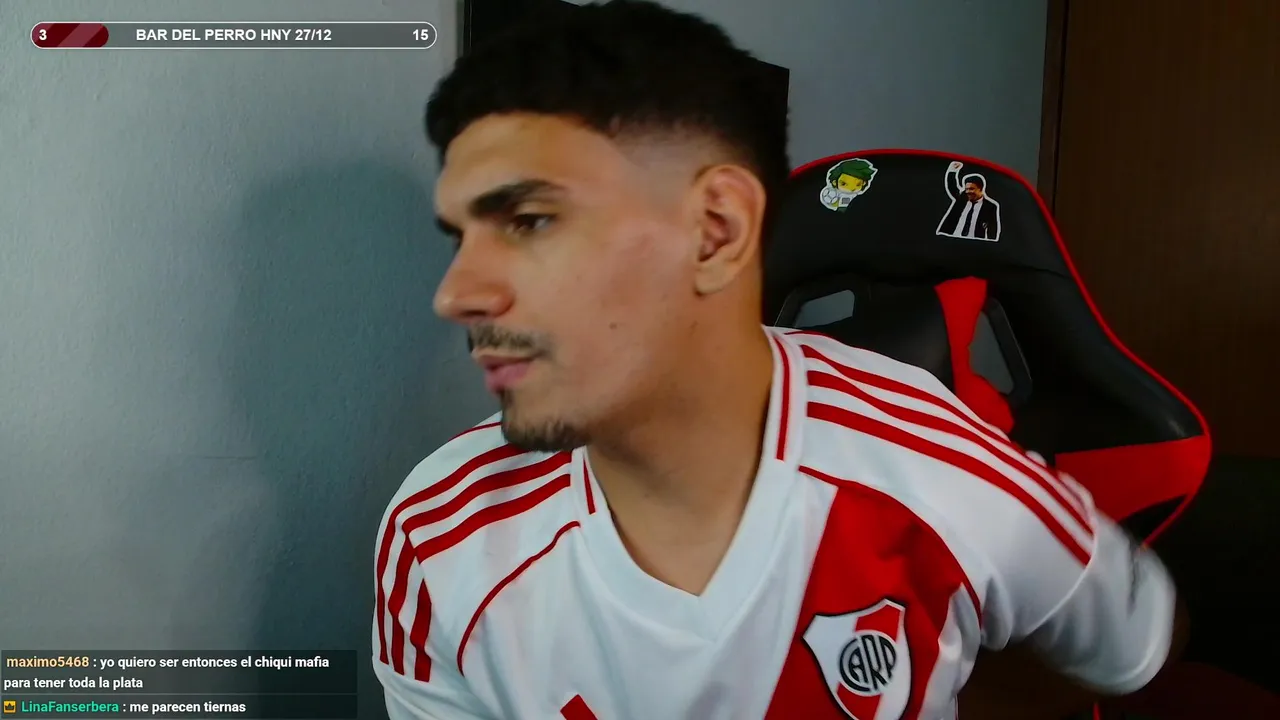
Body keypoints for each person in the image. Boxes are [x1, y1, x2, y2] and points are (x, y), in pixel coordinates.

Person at [372, 2, 1186, 718]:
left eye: (530, 222)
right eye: (463, 238)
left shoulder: (942, 477)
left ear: (715, 233)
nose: (458, 294)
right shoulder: (437, 540)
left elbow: (1136, 646)